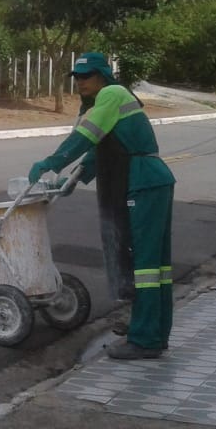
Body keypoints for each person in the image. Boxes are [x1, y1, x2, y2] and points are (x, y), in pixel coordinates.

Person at [27, 52, 176, 360]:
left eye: (87, 75)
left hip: (143, 181)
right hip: (148, 181)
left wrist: (51, 163)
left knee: (147, 267)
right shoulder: (106, 104)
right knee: (154, 265)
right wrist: (66, 182)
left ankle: (145, 340)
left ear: (103, 75)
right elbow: (97, 155)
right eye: (78, 77)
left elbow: (85, 137)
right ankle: (151, 329)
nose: (81, 82)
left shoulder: (111, 94)